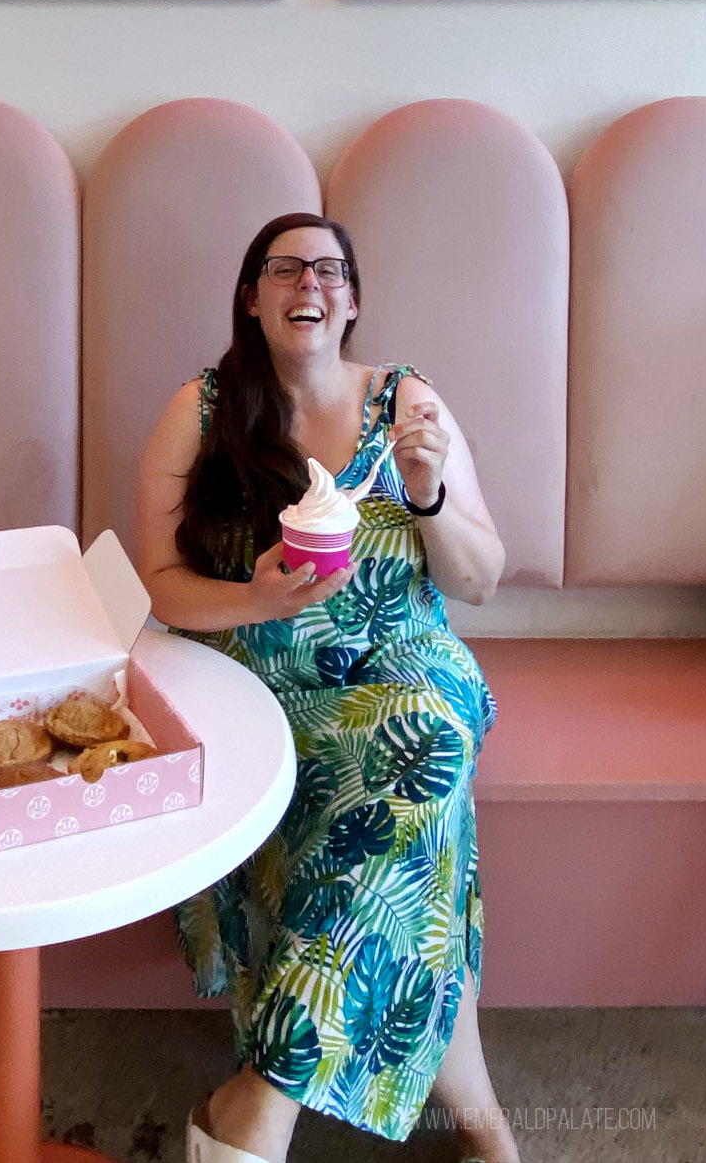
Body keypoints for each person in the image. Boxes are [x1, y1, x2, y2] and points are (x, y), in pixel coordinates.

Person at [136, 214, 521, 1163]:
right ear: (252, 295)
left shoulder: (408, 403)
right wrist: (258, 594)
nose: (310, 281)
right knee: (423, 816)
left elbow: (480, 577)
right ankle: (480, 1121)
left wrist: (428, 495)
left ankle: (260, 1101)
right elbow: (156, 582)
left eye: (330, 269)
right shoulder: (205, 408)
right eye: (285, 266)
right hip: (265, 683)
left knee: (424, 732)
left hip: (409, 667)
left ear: (350, 299)